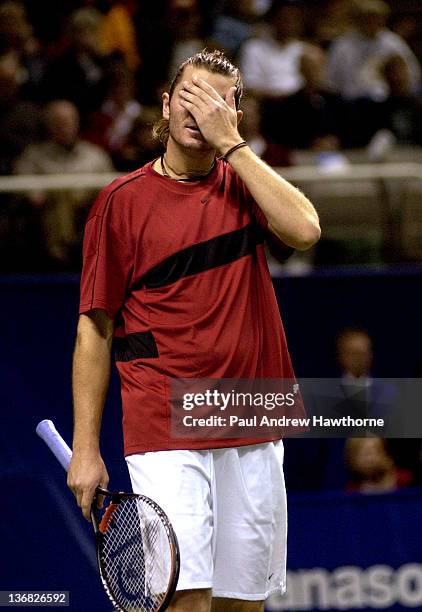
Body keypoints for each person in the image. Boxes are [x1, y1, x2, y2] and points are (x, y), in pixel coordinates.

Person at [68, 50, 320, 612]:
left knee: (243, 604)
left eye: (217, 101)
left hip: (251, 414)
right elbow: (95, 328)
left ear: (232, 115)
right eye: (190, 95)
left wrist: (234, 146)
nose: (200, 109)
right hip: (168, 424)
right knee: (188, 601)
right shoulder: (121, 203)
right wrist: (86, 446)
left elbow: (304, 229)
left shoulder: (244, 185)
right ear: (164, 104)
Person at [14, 99, 114, 265]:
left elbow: (113, 193)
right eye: (58, 123)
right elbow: (21, 186)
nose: (64, 127)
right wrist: (37, 195)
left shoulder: (95, 156)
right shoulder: (34, 156)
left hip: (87, 217)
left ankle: (69, 252)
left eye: (68, 122)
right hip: (47, 220)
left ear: (77, 123)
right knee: (59, 196)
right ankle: (63, 253)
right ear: (48, 126)